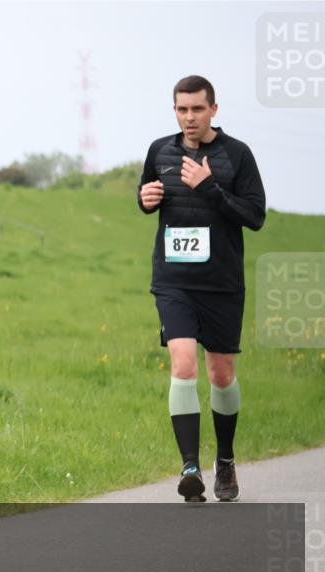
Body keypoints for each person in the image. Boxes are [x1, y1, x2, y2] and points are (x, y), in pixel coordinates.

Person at [137, 75, 266, 502]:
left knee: (221, 374)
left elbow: (254, 215)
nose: (189, 117)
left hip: (223, 284)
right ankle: (190, 467)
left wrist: (209, 188)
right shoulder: (160, 150)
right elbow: (147, 195)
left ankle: (225, 461)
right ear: (174, 110)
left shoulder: (237, 155)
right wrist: (146, 198)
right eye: (181, 109)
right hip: (174, 281)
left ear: (213, 109)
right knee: (184, 364)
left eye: (196, 109)